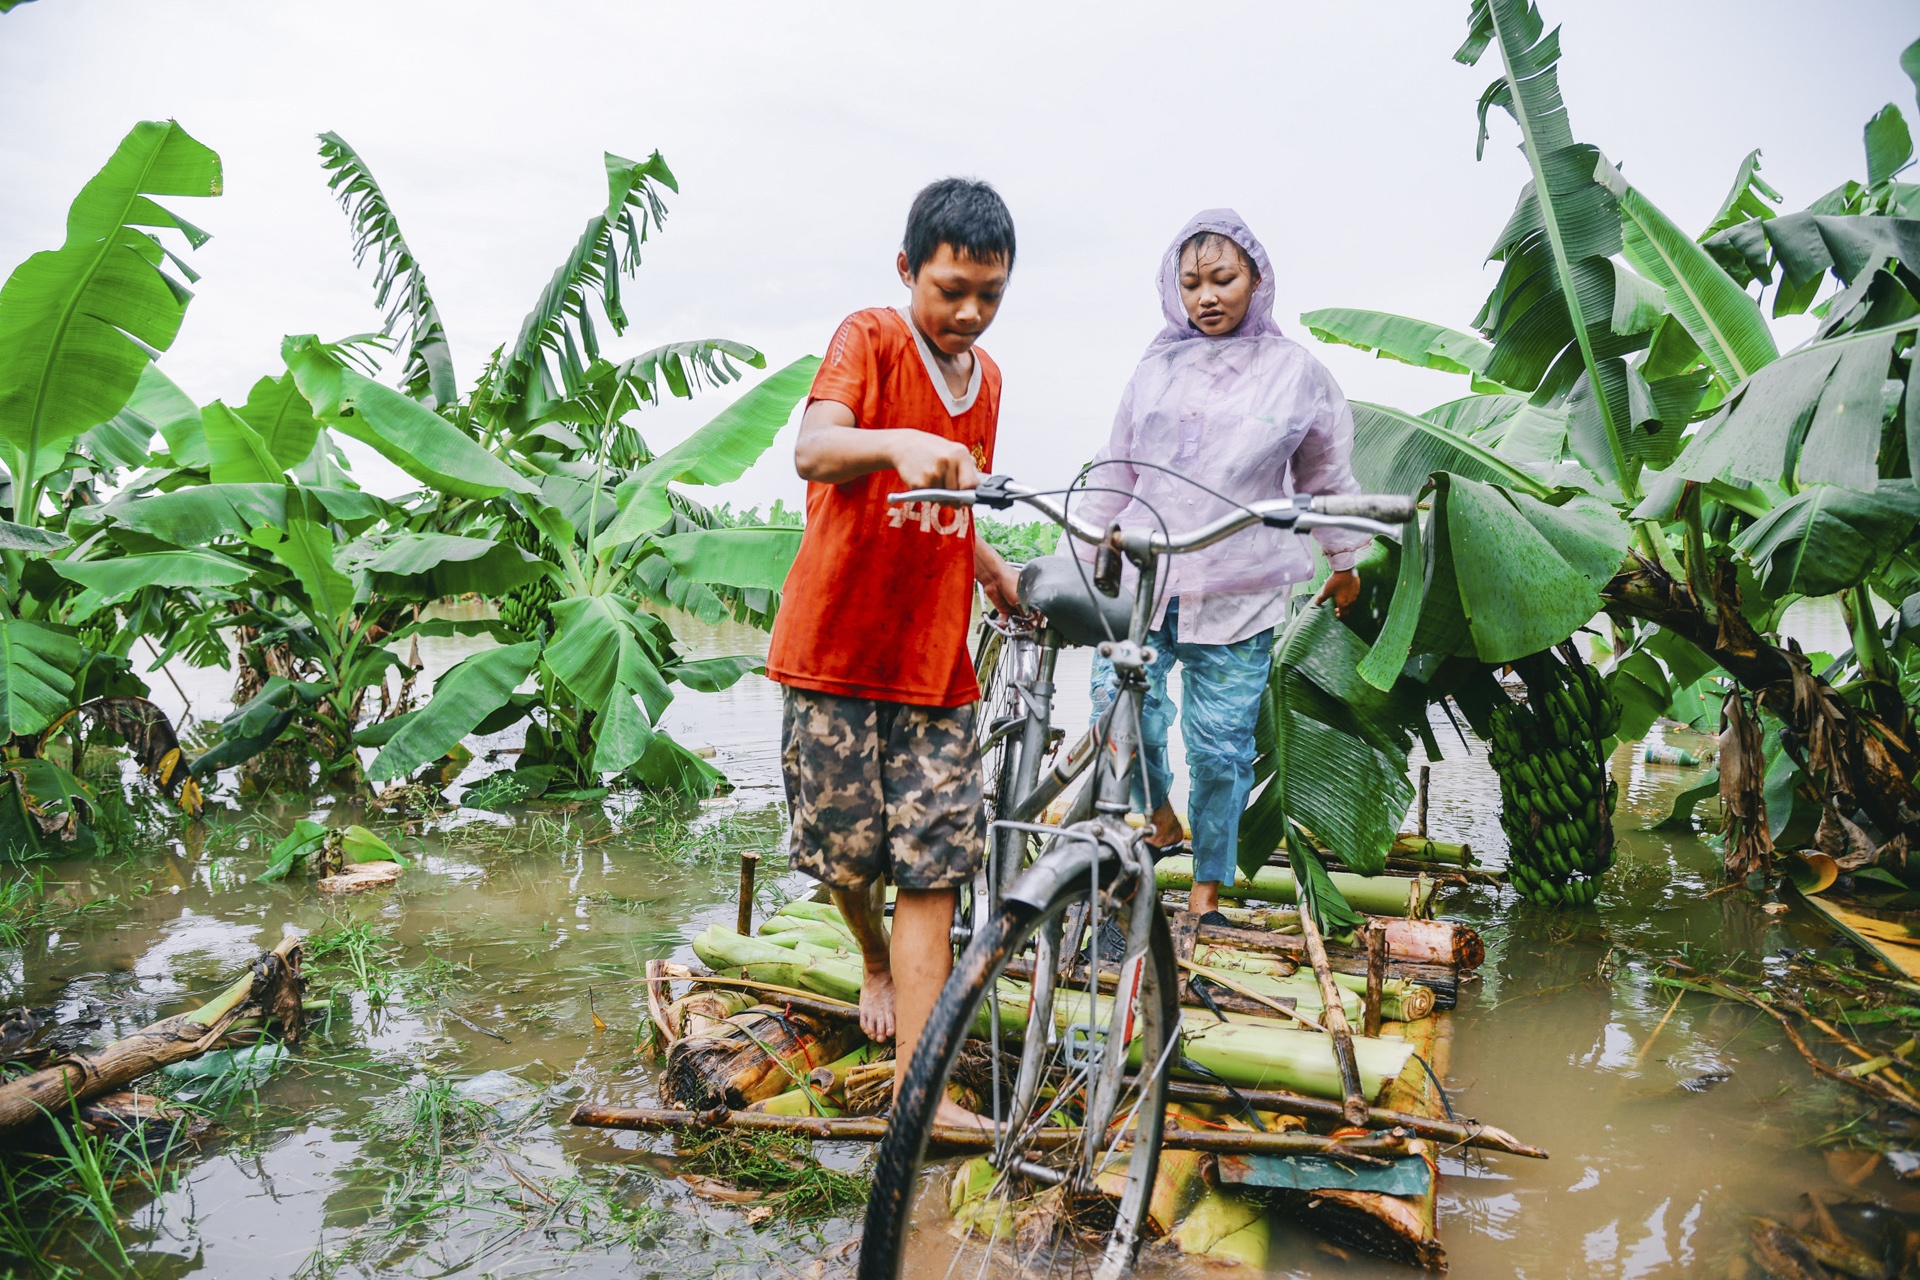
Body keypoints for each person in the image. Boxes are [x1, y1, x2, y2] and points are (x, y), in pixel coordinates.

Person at [767, 178, 1021, 1122]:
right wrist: (897, 440)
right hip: (834, 646)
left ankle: (925, 1089)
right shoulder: (869, 338)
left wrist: (988, 564)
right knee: (848, 861)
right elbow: (814, 448)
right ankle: (870, 959)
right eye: (951, 288)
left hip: (933, 659)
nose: (968, 313)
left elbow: (951, 502)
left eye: (989, 295)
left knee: (934, 865)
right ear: (908, 269)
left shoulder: (988, 380)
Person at [1073, 209, 1370, 922]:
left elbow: (1327, 473)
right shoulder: (1154, 369)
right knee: (1117, 714)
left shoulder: (1296, 372)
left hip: (1241, 587)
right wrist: (1084, 561)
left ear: (1256, 280)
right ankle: (1159, 815)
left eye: (1223, 279)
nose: (1206, 297)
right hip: (1145, 577)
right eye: (1191, 283)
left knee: (1221, 747)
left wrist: (1345, 558)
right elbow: (1117, 469)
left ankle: (1207, 887)